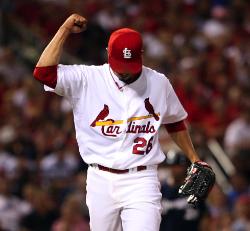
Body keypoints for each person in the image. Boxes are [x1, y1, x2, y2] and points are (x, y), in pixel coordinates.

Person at [33, 13, 212, 231]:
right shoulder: (87, 78)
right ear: (108, 54)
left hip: (142, 178)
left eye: (130, 64)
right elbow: (43, 73)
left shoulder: (158, 82)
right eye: (120, 65)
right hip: (100, 178)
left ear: (142, 55)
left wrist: (194, 158)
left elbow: (174, 122)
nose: (125, 71)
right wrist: (64, 30)